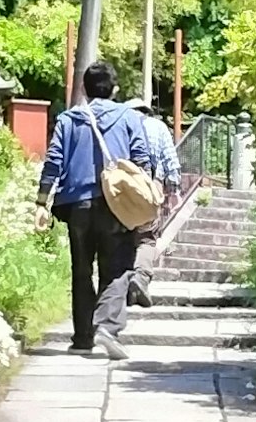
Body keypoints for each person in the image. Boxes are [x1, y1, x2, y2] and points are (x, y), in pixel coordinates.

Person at [39, 60, 177, 357]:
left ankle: (82, 338)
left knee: (81, 269)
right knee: (116, 269)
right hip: (116, 204)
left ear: (84, 90)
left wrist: (41, 200)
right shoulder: (130, 118)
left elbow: (53, 160)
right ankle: (107, 327)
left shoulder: (68, 119)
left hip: (76, 205)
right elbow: (142, 159)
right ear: (114, 89)